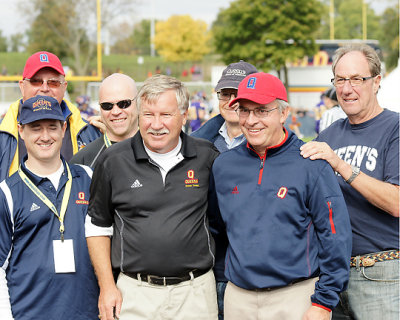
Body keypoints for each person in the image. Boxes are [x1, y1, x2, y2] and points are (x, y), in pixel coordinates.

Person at [209, 72, 352, 320]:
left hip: (296, 297)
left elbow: (335, 237)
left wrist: (324, 302)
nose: (251, 120)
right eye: (244, 110)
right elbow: (218, 227)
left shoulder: (310, 162)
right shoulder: (223, 165)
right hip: (238, 298)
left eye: (262, 111)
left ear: (284, 113)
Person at [85, 74, 219, 320]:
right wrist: (106, 287)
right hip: (135, 293)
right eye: (148, 114)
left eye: (165, 115)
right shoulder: (113, 160)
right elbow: (97, 227)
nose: (156, 124)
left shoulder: (207, 157)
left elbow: (220, 219)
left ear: (184, 115)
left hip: (195, 293)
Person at [300, 43, 399, 319]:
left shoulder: (395, 128)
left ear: (377, 82)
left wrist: (341, 165)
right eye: (340, 80)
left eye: (357, 79)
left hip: (381, 272)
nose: (346, 89)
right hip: (330, 276)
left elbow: (396, 203)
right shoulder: (328, 135)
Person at [0, 95, 99, 319]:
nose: (45, 136)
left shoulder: (89, 178)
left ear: (64, 128)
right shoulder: (6, 192)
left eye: (52, 127)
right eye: (36, 128)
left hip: (87, 313)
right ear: (21, 131)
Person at [191, 60, 257, 320]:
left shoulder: (272, 142)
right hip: (212, 267)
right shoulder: (197, 142)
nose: (231, 101)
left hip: (259, 271)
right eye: (225, 94)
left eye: (238, 94)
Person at [0, 51, 101, 181]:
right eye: (36, 81)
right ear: (22, 86)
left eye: (53, 82)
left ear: (64, 87)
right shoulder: (3, 134)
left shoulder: (91, 134)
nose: (45, 88)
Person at [70, 73, 138, 167]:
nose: (115, 111)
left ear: (139, 102)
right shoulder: (82, 161)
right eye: (107, 106)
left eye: (124, 104)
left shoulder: (159, 148)